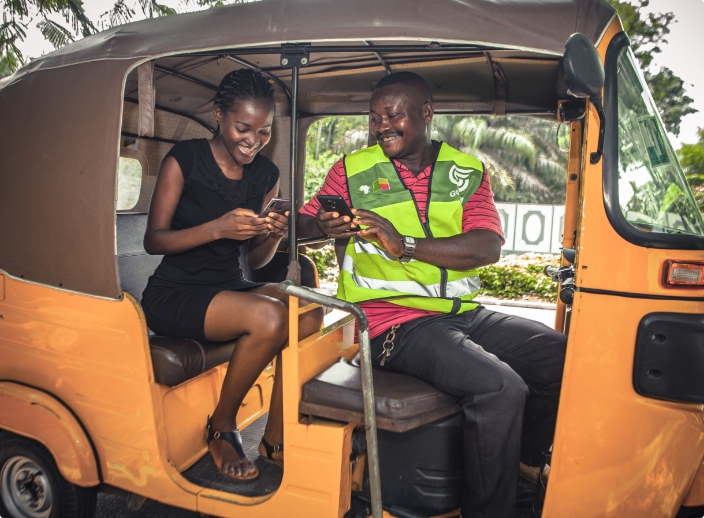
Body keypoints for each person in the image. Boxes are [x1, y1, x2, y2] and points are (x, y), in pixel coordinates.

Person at [297, 71, 566, 517]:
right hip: (390, 324)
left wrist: (405, 246)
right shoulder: (351, 171)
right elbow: (304, 226)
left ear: (426, 113)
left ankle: (520, 463)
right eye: (374, 117)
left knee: (562, 359)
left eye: (393, 114)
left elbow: (488, 246)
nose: (381, 125)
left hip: (462, 314)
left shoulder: (466, 171)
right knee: (501, 388)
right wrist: (321, 226)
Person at [142, 69, 323, 481]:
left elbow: (257, 263)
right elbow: (155, 239)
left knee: (309, 313)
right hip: (176, 292)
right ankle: (222, 426)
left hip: (229, 286)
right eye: (243, 127)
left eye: (263, 132)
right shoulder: (184, 159)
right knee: (270, 317)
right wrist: (216, 228)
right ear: (220, 115)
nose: (253, 141)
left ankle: (274, 439)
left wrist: (272, 235)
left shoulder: (264, 176)